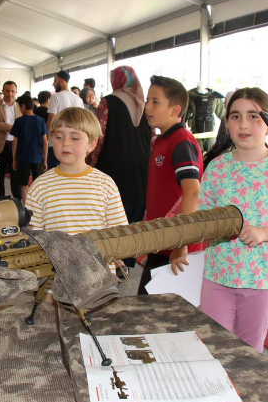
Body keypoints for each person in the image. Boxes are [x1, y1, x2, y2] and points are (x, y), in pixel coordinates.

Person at [198, 88, 268, 352]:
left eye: (254, 116)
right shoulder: (217, 167)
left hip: (262, 278)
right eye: (235, 116)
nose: (243, 124)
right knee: (213, 348)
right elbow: (201, 220)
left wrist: (265, 233)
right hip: (218, 275)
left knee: (249, 352)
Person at [24, 107, 127, 274]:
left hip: (99, 279)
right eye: (59, 137)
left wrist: (118, 258)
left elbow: (120, 233)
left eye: (74, 138)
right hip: (56, 280)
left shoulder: (105, 184)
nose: (65, 143)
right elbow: (33, 236)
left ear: (92, 144)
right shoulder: (40, 185)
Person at [139, 75, 204, 295]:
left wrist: (181, 244)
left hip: (175, 248)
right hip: (162, 240)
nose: (147, 106)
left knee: (161, 313)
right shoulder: (162, 139)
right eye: (148, 100)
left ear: (175, 110)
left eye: (155, 102)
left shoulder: (181, 141)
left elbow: (193, 192)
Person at [89, 66, 151, 272]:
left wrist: (89, 164)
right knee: (132, 218)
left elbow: (97, 137)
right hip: (140, 171)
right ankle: (127, 263)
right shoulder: (144, 104)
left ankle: (111, 261)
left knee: (111, 216)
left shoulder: (108, 102)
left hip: (112, 170)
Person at [0, 81, 21, 197]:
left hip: (16, 146)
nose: (10, 94)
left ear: (16, 92)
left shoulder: (20, 106)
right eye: (7, 90)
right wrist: (6, 126)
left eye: (12, 91)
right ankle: (1, 199)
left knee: (16, 175)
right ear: (3, 91)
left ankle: (17, 201)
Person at [11, 94, 48, 200]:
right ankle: (38, 205)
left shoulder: (19, 121)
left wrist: (14, 159)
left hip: (23, 157)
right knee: (38, 184)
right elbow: (45, 142)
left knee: (23, 184)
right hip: (37, 157)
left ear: (23, 106)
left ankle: (26, 207)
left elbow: (15, 142)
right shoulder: (40, 121)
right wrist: (45, 159)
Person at [47, 70, 84, 168]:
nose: (53, 84)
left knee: (55, 173)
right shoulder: (78, 99)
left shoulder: (56, 98)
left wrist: (46, 140)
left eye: (55, 81)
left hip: (57, 142)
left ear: (62, 81)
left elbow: (51, 120)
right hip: (74, 142)